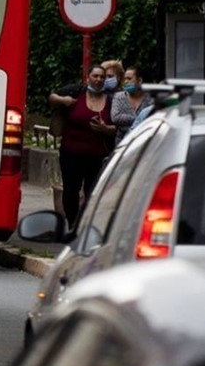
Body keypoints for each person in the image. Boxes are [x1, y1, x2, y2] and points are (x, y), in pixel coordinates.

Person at [50, 64, 116, 239]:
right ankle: (72, 224)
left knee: (92, 191)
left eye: (102, 77)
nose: (99, 79)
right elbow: (52, 97)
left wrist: (104, 129)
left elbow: (116, 128)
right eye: (95, 76)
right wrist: (64, 101)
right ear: (88, 77)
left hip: (97, 155)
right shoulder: (75, 91)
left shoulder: (110, 99)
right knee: (71, 190)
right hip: (71, 153)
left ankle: (87, 225)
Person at [110, 66, 155, 137]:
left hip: (144, 139)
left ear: (139, 80)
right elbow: (116, 117)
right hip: (122, 141)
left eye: (129, 79)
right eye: (125, 79)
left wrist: (126, 120)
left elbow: (152, 118)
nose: (126, 82)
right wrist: (140, 118)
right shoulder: (119, 97)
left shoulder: (150, 98)